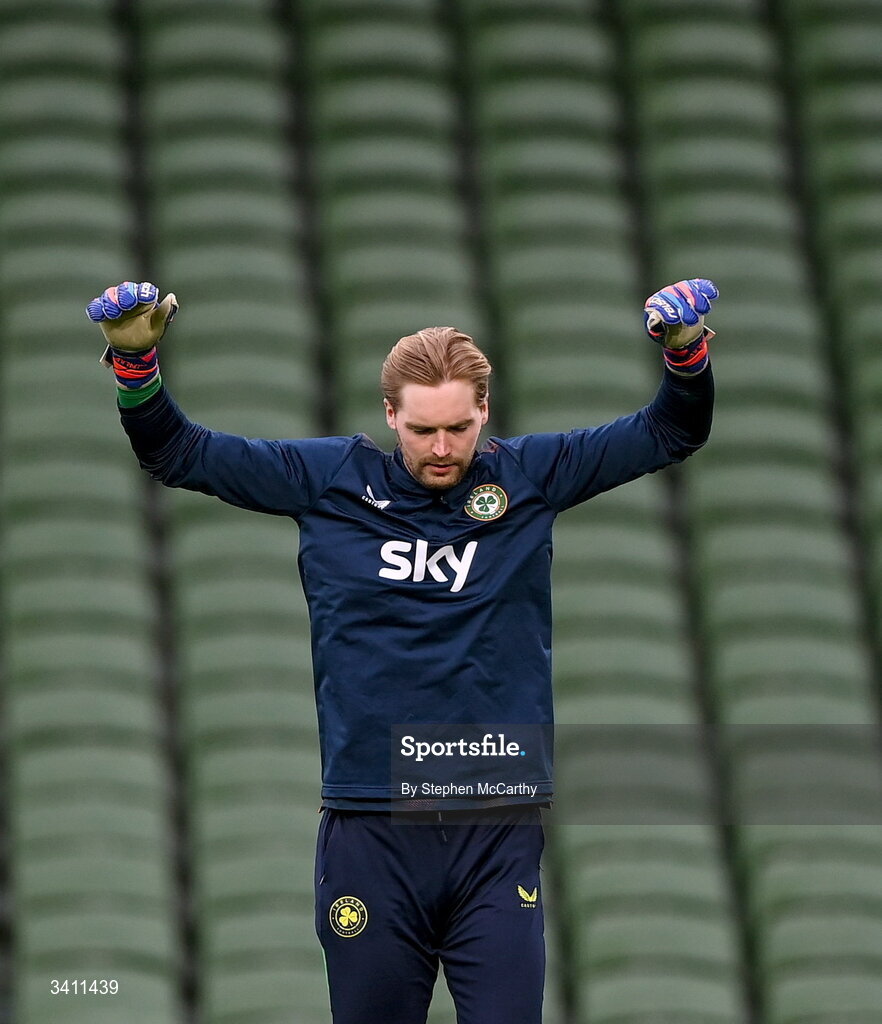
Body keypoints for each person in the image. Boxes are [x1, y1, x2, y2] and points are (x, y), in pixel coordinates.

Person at [87, 277, 718, 1024]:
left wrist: (686, 355)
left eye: (459, 427)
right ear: (390, 414)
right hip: (371, 829)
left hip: (495, 829)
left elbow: (669, 432)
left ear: (485, 411)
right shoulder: (327, 482)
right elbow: (178, 453)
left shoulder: (531, 478)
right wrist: (136, 367)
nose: (443, 448)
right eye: (422, 431)